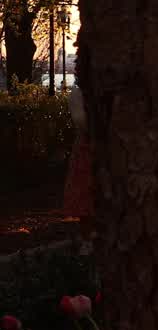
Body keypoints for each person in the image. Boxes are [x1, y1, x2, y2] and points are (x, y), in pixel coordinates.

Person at [63, 84, 94, 251]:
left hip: (89, 145)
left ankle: (88, 238)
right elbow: (82, 122)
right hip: (90, 146)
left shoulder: (78, 91)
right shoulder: (79, 91)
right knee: (85, 191)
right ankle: (88, 238)